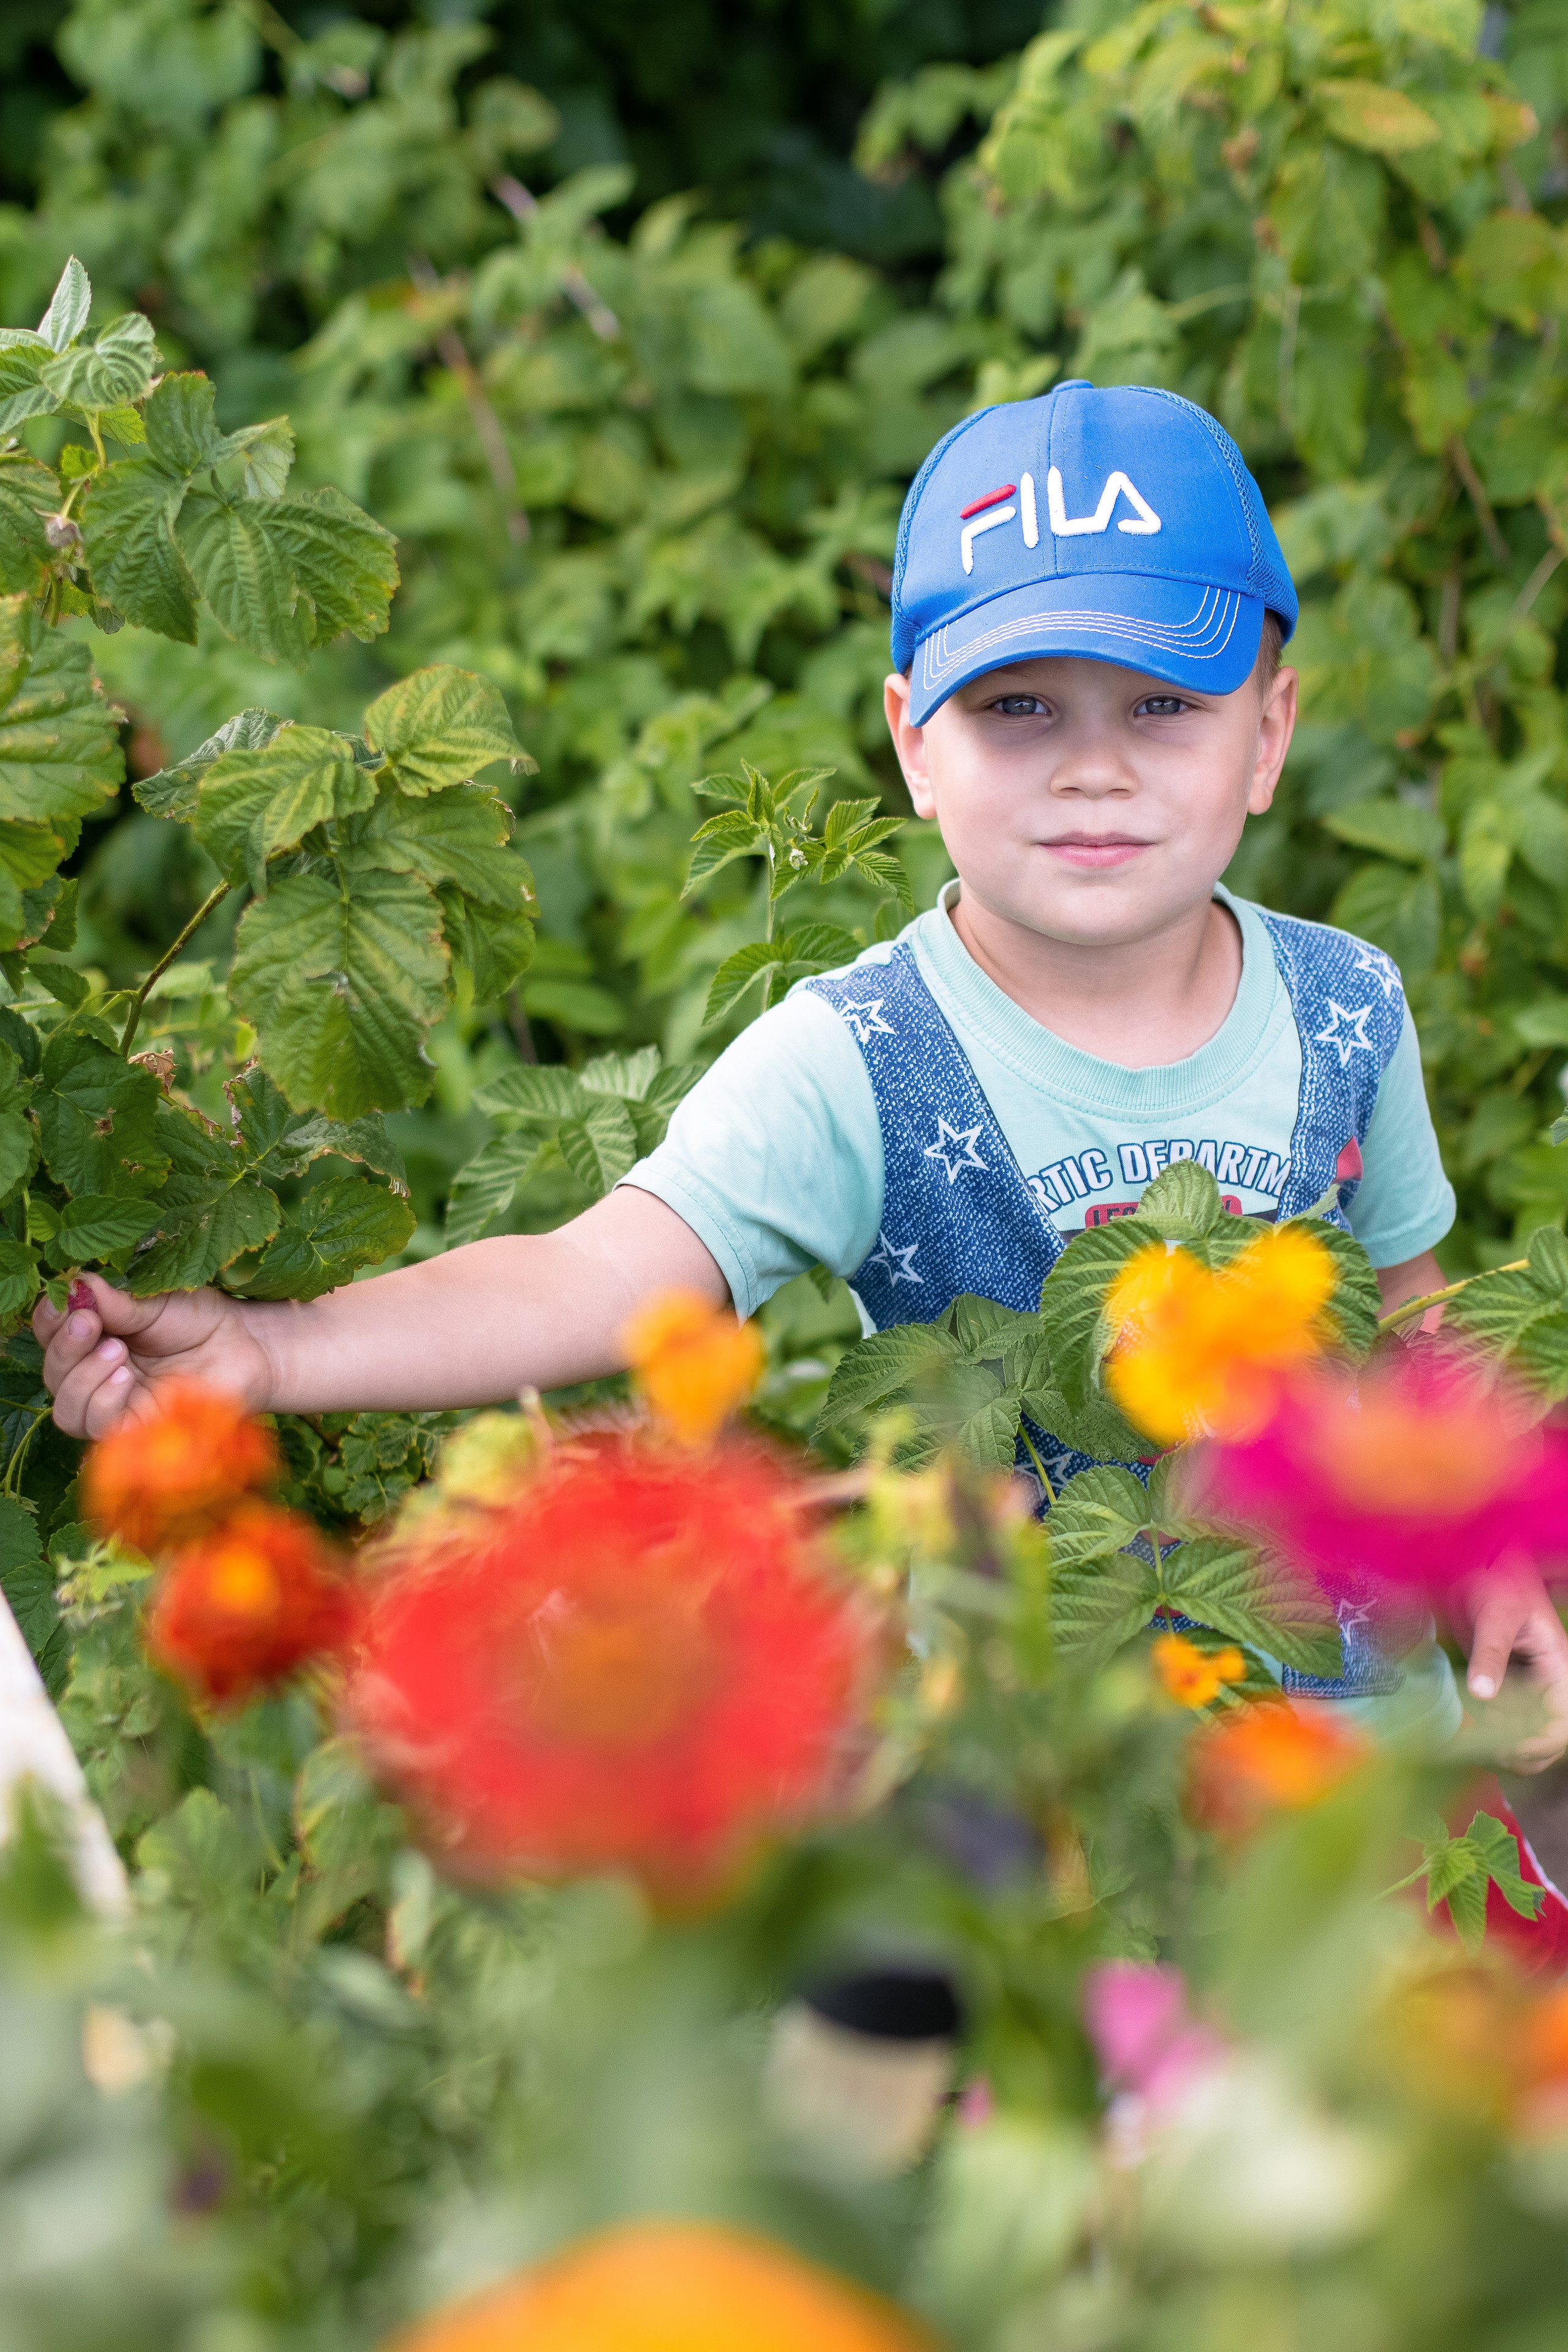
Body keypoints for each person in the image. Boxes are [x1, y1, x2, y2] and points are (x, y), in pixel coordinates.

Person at [36, 380, 1568, 1783]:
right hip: (1048, 1803)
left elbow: (1409, 1317)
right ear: (911, 742)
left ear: (1267, 734)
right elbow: (592, 1280)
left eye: (1161, 703)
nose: (1092, 768)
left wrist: (1483, 1549)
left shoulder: (1345, 1003)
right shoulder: (858, 1055)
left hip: (1377, 1778)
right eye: (1015, 706)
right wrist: (269, 1351)